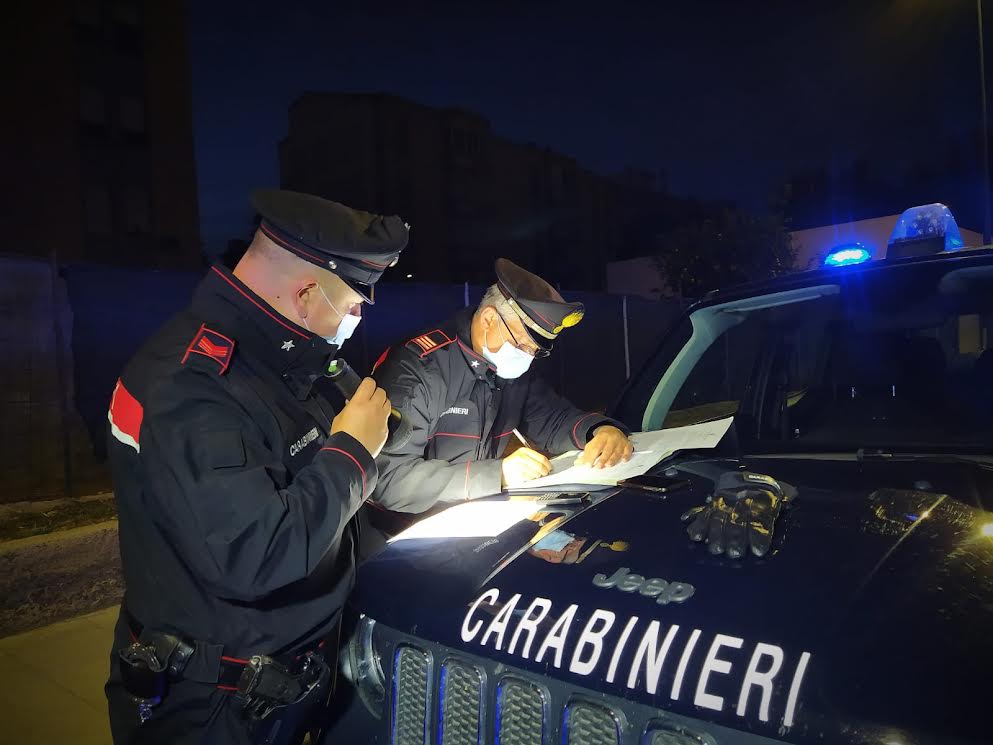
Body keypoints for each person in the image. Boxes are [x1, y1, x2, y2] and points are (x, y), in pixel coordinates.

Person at [104, 189, 407, 745]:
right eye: (354, 302)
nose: (360, 315)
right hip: (216, 707)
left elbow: (336, 498)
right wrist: (351, 453)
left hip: (292, 680)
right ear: (306, 293)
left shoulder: (289, 359)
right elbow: (254, 554)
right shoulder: (191, 386)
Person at [370, 258, 632, 517]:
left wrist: (598, 431)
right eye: (521, 345)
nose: (526, 357)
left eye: (535, 351)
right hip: (403, 528)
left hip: (475, 516)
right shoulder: (419, 368)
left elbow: (550, 418)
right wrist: (497, 474)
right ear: (488, 319)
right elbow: (391, 480)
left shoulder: (511, 369)